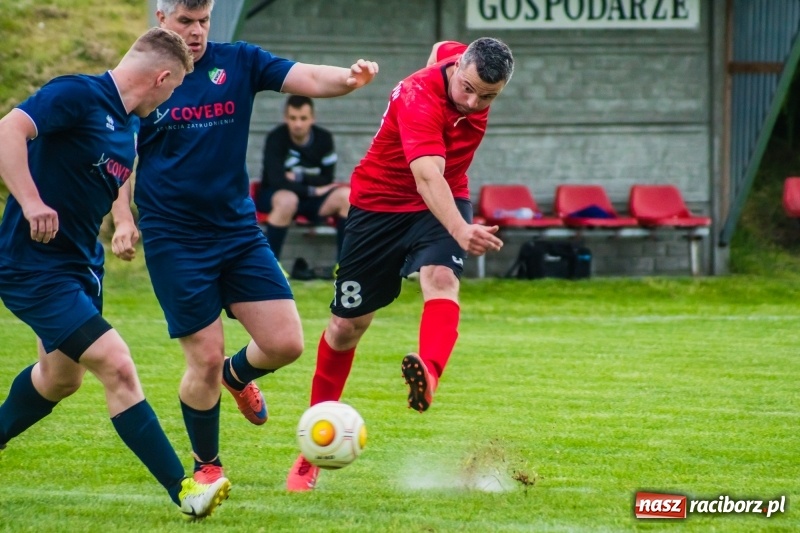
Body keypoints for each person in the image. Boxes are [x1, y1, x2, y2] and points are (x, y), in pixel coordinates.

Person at [110, 0, 378, 486]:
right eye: (186, 22)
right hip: (174, 237)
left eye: (204, 21)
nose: (196, 32)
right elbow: (120, 152)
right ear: (161, 20)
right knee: (204, 357)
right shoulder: (142, 77)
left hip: (235, 229)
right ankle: (207, 465)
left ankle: (238, 377)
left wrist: (350, 78)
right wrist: (123, 217)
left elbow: (309, 77)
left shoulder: (239, 61)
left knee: (285, 343)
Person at [0, 27, 230, 520]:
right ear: (162, 77)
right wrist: (31, 200)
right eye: (171, 89)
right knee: (118, 364)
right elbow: (8, 130)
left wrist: (123, 220)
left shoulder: (126, 124)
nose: (169, 98)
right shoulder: (76, 94)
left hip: (82, 267)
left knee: (60, 379)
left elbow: (105, 178)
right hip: (35, 267)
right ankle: (185, 490)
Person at [286, 38, 514, 492]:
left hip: (442, 200)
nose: (473, 103)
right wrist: (462, 231)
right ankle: (309, 451)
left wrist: (452, 226)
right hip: (378, 207)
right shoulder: (415, 95)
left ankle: (427, 371)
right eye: (467, 89)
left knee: (441, 278)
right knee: (345, 327)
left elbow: (439, 46)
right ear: (457, 69)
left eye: (487, 97)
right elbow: (426, 173)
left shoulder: (460, 59)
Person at [258, 95, 350, 264]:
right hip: (277, 196)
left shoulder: (324, 138)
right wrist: (312, 189)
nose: (298, 124)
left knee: (347, 197)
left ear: (312, 118)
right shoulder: (275, 138)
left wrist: (299, 177)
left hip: (311, 200)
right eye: (293, 118)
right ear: (286, 118)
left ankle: (344, 266)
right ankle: (271, 267)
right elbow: (276, 180)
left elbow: (327, 178)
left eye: (303, 118)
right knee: (287, 199)